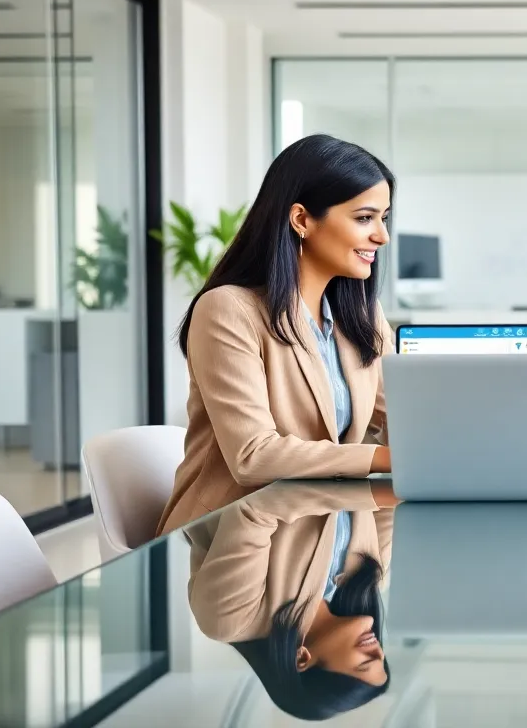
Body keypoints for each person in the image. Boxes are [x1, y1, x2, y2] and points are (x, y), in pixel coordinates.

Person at [157, 134, 395, 536]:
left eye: (383, 219)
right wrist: (383, 458)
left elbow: (406, 413)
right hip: (231, 537)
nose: (382, 236)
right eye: (364, 218)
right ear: (302, 219)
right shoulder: (228, 310)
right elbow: (253, 456)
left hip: (320, 527)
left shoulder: (361, 315)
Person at [185, 480, 398, 720]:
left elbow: (254, 508)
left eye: (365, 664)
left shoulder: (232, 618)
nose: (378, 652)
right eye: (382, 658)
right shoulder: (369, 581)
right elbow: (391, 494)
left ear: (303, 658)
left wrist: (352, 483)